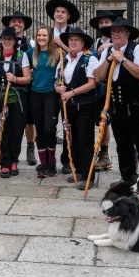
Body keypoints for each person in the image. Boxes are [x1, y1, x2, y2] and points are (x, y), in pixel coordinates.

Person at [93, 17, 139, 184]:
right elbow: (98, 76)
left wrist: (123, 59)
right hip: (116, 107)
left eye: (119, 31)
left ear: (127, 33)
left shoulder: (137, 49)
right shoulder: (107, 51)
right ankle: (128, 178)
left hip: (137, 106)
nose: (115, 34)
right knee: (122, 144)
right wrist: (109, 59)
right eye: (113, 31)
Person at [55, 28, 98, 189]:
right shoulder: (64, 59)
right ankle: (79, 170)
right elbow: (58, 79)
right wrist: (58, 88)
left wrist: (72, 92)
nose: (73, 42)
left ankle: (89, 176)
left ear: (83, 43)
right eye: (71, 39)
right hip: (69, 106)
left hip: (85, 105)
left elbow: (92, 83)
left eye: (76, 40)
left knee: (86, 140)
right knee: (73, 140)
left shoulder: (90, 59)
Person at [0, 11, 37, 166]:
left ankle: (26, 150)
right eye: (14, 21)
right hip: (0, 94)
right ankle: (4, 159)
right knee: (1, 126)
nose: (17, 24)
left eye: (20, 22)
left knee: (22, 124)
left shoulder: (29, 46)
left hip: (21, 92)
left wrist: (17, 79)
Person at [47, 0, 80, 173]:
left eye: (63, 12)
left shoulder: (74, 35)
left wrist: (63, 45)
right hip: (50, 85)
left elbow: (79, 55)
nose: (59, 15)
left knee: (69, 124)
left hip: (69, 85)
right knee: (49, 125)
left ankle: (68, 159)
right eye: (57, 12)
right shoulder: (46, 33)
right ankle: (49, 160)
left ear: (68, 16)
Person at [28, 26, 61, 178]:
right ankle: (43, 164)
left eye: (44, 35)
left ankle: (51, 162)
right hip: (35, 94)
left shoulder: (57, 53)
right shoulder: (31, 53)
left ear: (50, 37)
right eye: (39, 35)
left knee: (49, 128)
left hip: (51, 94)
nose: (41, 38)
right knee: (40, 129)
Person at [89, 11, 118, 171]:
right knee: (101, 121)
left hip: (113, 88)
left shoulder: (115, 42)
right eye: (101, 23)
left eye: (107, 22)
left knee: (107, 121)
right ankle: (101, 154)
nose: (104, 25)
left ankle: (105, 154)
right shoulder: (96, 43)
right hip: (99, 88)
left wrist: (110, 46)